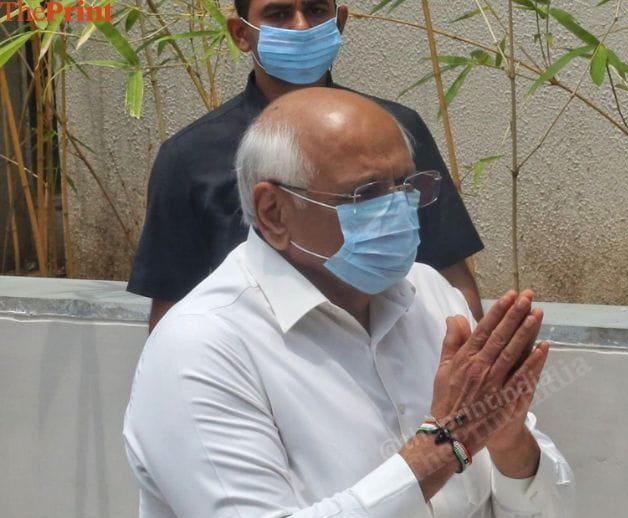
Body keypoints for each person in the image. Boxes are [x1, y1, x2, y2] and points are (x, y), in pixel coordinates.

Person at [123, 88, 574, 518]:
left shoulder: (432, 298)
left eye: (407, 186)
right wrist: (443, 446)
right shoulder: (203, 344)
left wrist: (509, 439)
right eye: (366, 194)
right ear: (273, 211)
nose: (399, 210)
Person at [127, 0, 485, 331]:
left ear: (339, 23)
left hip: (399, 348)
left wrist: (465, 357)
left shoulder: (392, 132)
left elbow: (451, 276)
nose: (301, 26)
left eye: (315, 10)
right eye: (279, 14)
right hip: (264, 362)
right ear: (241, 33)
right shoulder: (190, 156)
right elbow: (171, 314)